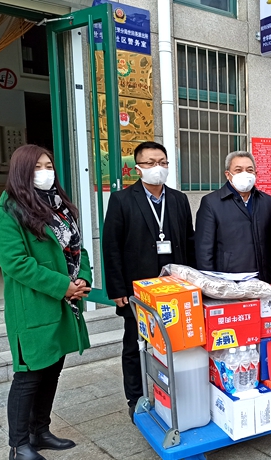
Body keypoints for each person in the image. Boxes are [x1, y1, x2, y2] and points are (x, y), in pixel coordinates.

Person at [0, 145, 92, 460]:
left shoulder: (59, 207)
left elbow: (78, 249)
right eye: (37, 167)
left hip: (64, 304)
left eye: (49, 165)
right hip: (34, 306)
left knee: (52, 370)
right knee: (29, 376)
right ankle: (19, 445)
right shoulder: (8, 212)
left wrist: (83, 279)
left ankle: (40, 431)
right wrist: (64, 286)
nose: (45, 172)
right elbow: (16, 263)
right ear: (22, 171)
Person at [102, 141, 196, 422]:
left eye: (162, 162)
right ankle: (136, 398)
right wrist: (117, 288)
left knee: (177, 343)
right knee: (135, 345)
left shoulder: (178, 199)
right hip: (138, 288)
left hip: (174, 288)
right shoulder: (121, 200)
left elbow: (189, 241)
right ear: (138, 168)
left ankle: (176, 395)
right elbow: (111, 246)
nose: (158, 168)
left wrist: (194, 282)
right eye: (151, 163)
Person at [195, 151, 271, 284]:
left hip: (263, 281)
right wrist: (212, 286)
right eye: (238, 170)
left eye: (249, 170)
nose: (244, 174)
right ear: (227, 174)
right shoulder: (211, 203)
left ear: (256, 174)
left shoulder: (267, 202)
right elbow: (204, 251)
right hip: (228, 282)